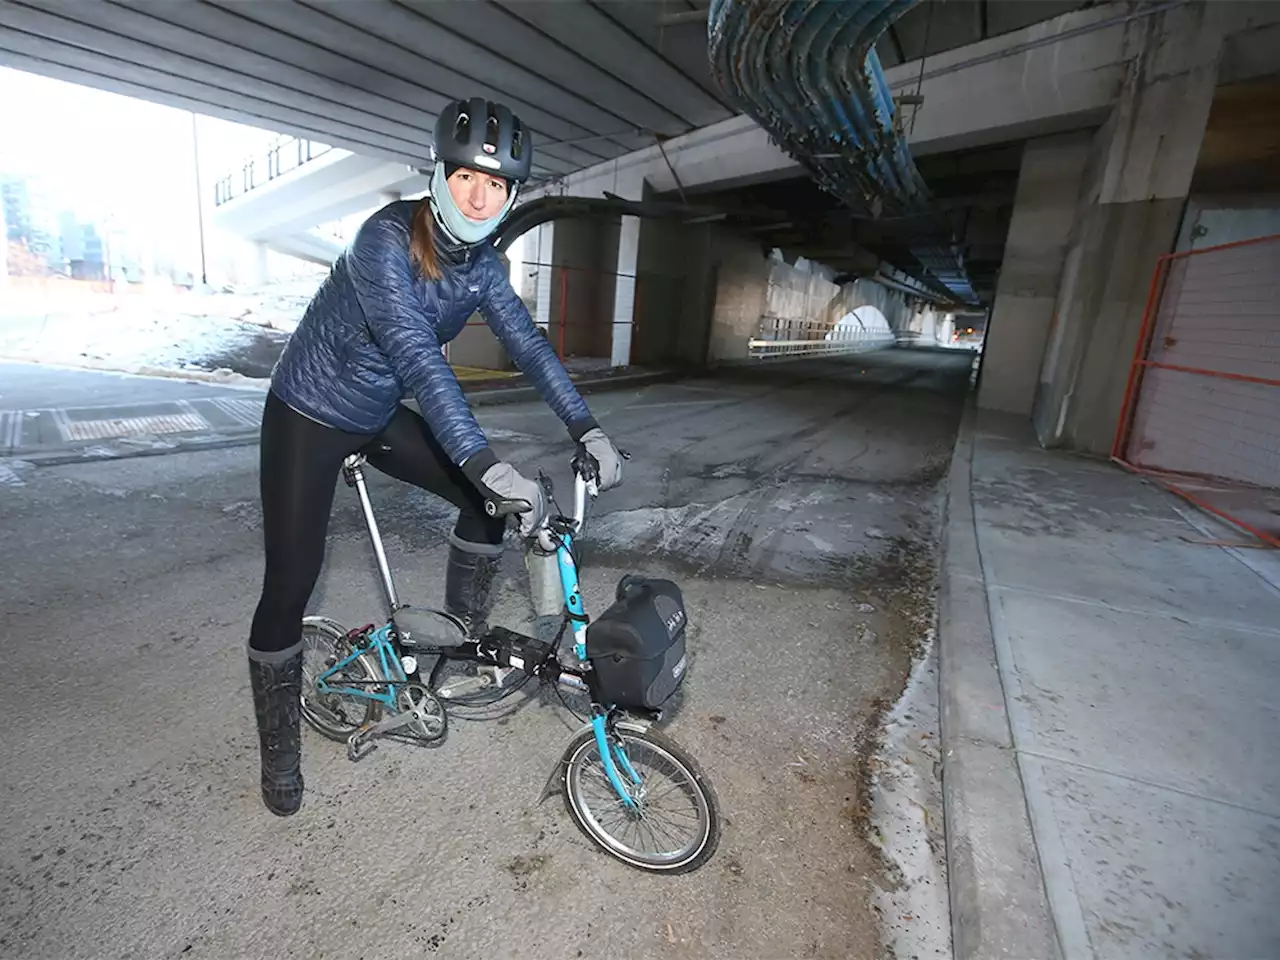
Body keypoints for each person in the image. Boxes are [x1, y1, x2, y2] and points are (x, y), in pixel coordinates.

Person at [245, 98, 624, 817]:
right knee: (291, 583)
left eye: (498, 186)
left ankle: (456, 647)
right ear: (439, 175)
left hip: (376, 413)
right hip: (307, 412)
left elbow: (529, 344)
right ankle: (279, 757)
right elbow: (422, 362)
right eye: (466, 179)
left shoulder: (483, 264)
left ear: (512, 194)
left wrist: (587, 427)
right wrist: (482, 458)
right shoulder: (383, 242)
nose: (480, 198)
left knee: (487, 505)